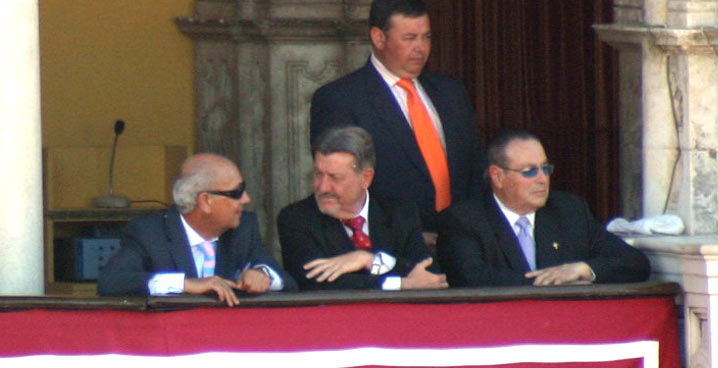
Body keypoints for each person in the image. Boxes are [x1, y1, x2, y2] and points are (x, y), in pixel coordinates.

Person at [310, 0, 485, 244]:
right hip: (394, 246)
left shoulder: (451, 92)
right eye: (409, 38)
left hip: (462, 242)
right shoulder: (340, 99)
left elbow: (476, 167)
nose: (421, 48)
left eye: (426, 37)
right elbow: (342, 183)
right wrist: (403, 236)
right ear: (379, 38)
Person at [436, 129, 651, 287]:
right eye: (529, 171)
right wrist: (554, 283)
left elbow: (635, 263)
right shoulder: (464, 220)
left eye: (545, 168)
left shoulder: (570, 211)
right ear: (498, 176)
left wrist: (583, 270)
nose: (542, 179)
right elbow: (472, 279)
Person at [98, 153, 297, 305]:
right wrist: (186, 285)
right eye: (236, 192)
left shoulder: (243, 228)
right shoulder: (148, 232)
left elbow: (288, 283)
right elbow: (112, 281)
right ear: (205, 201)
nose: (246, 199)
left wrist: (263, 275)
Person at [277, 126, 447, 291]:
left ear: (366, 178)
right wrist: (402, 284)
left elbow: (430, 277)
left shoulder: (400, 214)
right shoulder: (297, 219)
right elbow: (317, 284)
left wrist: (369, 259)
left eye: (334, 178)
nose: (323, 187)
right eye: (318, 174)